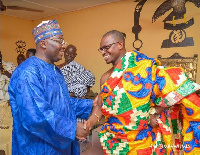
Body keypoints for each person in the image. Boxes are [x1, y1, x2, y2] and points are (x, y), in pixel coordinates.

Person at [86, 30, 200, 154]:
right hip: (113, 141)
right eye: (101, 49)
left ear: (120, 45)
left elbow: (179, 87)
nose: (103, 52)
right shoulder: (105, 78)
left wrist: (154, 112)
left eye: (106, 47)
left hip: (141, 140)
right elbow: (100, 106)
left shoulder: (144, 67)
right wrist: (89, 124)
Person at [8, 20, 96, 155]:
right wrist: (72, 129)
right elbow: (35, 116)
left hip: (60, 147)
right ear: (43, 43)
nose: (63, 46)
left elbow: (63, 103)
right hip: (38, 148)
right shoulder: (27, 73)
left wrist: (91, 104)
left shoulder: (55, 70)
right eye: (59, 40)